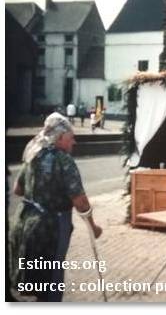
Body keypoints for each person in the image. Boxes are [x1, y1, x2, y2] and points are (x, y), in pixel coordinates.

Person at [9, 113, 102, 302]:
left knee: (36, 278)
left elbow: (17, 189)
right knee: (52, 280)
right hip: (52, 225)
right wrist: (93, 227)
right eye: (71, 137)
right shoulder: (63, 159)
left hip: (26, 222)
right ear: (60, 137)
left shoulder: (33, 154)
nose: (74, 142)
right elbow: (81, 202)